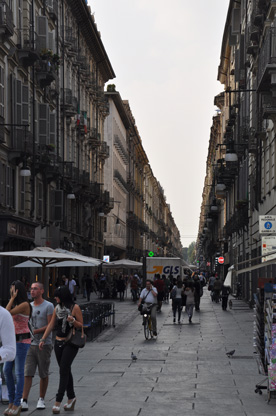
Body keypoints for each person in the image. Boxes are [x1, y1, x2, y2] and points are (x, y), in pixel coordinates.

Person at [39, 286, 83, 414]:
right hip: (58, 342)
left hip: (70, 343)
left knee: (63, 370)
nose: (55, 298)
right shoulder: (57, 308)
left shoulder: (74, 308)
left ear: (63, 296)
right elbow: (52, 324)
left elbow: (81, 325)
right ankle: (71, 398)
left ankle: (57, 401)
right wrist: (43, 339)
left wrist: (73, 320)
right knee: (65, 370)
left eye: (57, 296)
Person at [21, 282, 54, 412]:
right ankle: (24, 399)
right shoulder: (28, 306)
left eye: (35, 289)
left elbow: (50, 324)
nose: (32, 291)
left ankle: (41, 398)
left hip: (44, 344)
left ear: (41, 291)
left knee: (43, 372)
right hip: (30, 343)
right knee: (27, 372)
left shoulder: (49, 305)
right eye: (31, 289)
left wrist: (37, 332)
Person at [4, 281, 32, 415]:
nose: (11, 291)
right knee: (6, 370)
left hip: (22, 341)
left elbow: (6, 313)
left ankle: (17, 403)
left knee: (19, 373)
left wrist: (12, 298)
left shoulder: (24, 304)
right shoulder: (16, 304)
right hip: (11, 342)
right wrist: (12, 299)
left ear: (17, 291)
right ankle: (11, 401)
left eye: (13, 289)